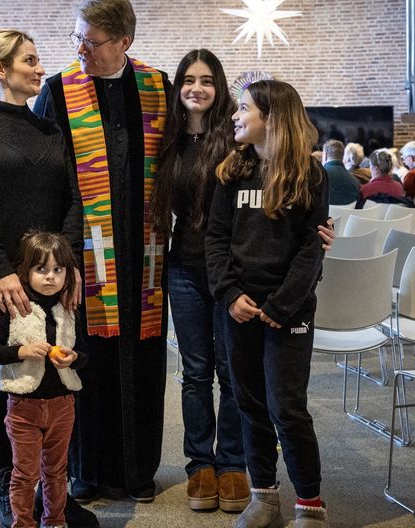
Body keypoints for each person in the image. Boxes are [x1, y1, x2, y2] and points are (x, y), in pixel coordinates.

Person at [0, 29, 96, 528]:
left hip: (51, 280)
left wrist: (69, 266)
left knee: (56, 383)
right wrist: (0, 270)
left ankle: (52, 491)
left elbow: (75, 202)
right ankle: (9, 485)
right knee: (4, 386)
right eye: (30, 60)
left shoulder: (53, 131)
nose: (40, 69)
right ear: (1, 68)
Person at [32, 0, 169, 503]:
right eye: (77, 38)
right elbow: (48, 173)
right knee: (85, 359)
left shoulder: (157, 87)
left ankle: (137, 471)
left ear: (124, 43)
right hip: (84, 255)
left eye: (90, 41)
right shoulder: (59, 91)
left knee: (143, 359)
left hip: (145, 256)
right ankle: (85, 469)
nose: (79, 49)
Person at [205, 79, 330, 528]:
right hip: (237, 309)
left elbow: (310, 249)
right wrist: (230, 294)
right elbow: (215, 240)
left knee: (287, 408)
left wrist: (281, 307)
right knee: (249, 404)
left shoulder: (311, 176)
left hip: (288, 313)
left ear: (271, 118)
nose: (235, 116)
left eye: (244, 108)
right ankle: (264, 496)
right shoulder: (231, 172)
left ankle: (310, 506)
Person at [148, 49, 249, 513]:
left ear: (219, 86)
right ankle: (199, 466)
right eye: (189, 80)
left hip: (228, 274)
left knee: (229, 372)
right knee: (194, 373)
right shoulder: (167, 142)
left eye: (207, 80)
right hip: (184, 272)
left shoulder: (235, 140)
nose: (197, 88)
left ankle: (232, 464)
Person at [0, 231, 88, 528]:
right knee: (25, 473)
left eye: (58, 270)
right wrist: (22, 351)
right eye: (41, 269)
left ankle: (55, 520)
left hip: (62, 405)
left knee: (57, 471)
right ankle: (23, 523)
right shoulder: (14, 310)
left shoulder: (69, 310)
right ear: (25, 272)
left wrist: (74, 358)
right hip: (23, 408)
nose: (50, 277)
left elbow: (86, 354)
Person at [320, 139, 360, 206]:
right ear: (342, 156)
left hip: (325, 216)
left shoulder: (319, 176)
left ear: (325, 155)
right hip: (347, 215)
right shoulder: (356, 181)